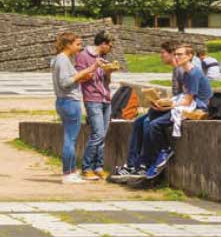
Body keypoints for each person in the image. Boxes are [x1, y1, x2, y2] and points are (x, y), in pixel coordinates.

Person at [112, 41, 180, 180]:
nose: (161, 56)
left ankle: (144, 164)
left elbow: (188, 98)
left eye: (163, 53)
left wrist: (166, 104)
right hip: (173, 105)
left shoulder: (182, 71)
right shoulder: (176, 71)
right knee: (138, 122)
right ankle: (132, 164)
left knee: (148, 122)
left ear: (172, 54)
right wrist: (159, 101)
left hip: (179, 108)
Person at [142, 45, 212, 177]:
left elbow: (188, 101)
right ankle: (148, 159)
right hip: (188, 104)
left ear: (190, 56)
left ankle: (164, 151)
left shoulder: (193, 73)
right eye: (176, 54)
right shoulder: (186, 73)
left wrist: (168, 106)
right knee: (151, 115)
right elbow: (184, 97)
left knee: (154, 125)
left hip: (197, 107)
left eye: (180, 54)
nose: (176, 57)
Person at [52, 31, 104, 184]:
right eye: (78, 44)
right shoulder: (62, 59)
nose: (80, 47)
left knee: (70, 138)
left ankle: (71, 172)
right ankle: (68, 173)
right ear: (68, 45)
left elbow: (71, 79)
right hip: (69, 102)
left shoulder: (62, 59)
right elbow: (65, 82)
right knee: (70, 139)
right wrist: (90, 68)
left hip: (64, 101)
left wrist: (82, 76)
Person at [74, 30, 119, 181]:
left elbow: (105, 82)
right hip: (92, 99)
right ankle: (86, 168)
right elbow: (80, 77)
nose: (111, 49)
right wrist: (94, 67)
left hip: (106, 98)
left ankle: (98, 166)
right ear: (103, 43)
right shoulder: (83, 56)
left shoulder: (103, 57)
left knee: (102, 135)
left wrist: (108, 72)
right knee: (97, 134)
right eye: (110, 46)